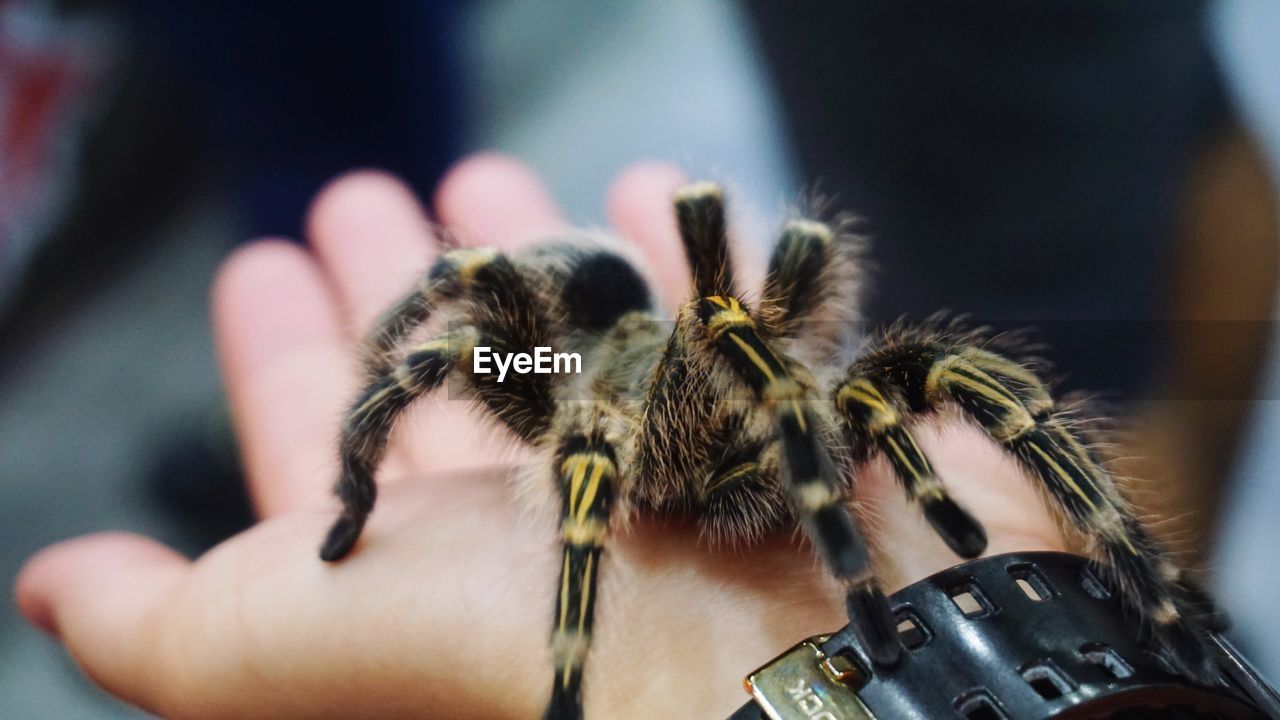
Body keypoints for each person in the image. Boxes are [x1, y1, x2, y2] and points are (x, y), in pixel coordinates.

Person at [16, 156, 1078, 718]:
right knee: (458, 335)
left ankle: (1135, 568)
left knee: (928, 361)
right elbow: (464, 316)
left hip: (696, 355)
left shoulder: (773, 373)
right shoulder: (544, 371)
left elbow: (792, 316)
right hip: (563, 368)